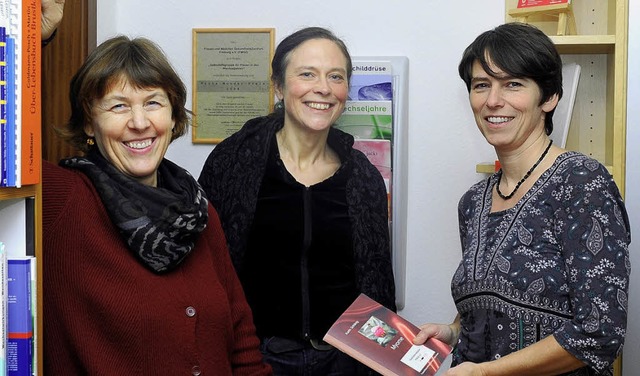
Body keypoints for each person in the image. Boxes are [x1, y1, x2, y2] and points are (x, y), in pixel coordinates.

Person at [42, 35, 272, 375]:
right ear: (90, 122)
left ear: (174, 115)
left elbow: (241, 339)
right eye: (118, 105)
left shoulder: (198, 210)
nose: (139, 122)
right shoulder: (65, 199)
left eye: (153, 103)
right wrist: (35, 34)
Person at [413, 22, 631, 376]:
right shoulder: (473, 202)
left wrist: (484, 372)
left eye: (513, 84)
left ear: (548, 97)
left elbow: (599, 332)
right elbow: (489, 304)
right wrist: (453, 332)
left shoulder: (581, 182)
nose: (493, 100)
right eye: (481, 85)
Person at [198, 26, 396, 375]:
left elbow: (377, 284)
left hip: (345, 361)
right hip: (256, 360)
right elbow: (205, 274)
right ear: (278, 85)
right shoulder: (232, 163)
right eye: (307, 74)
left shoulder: (363, 177)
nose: (323, 88)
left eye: (335, 76)